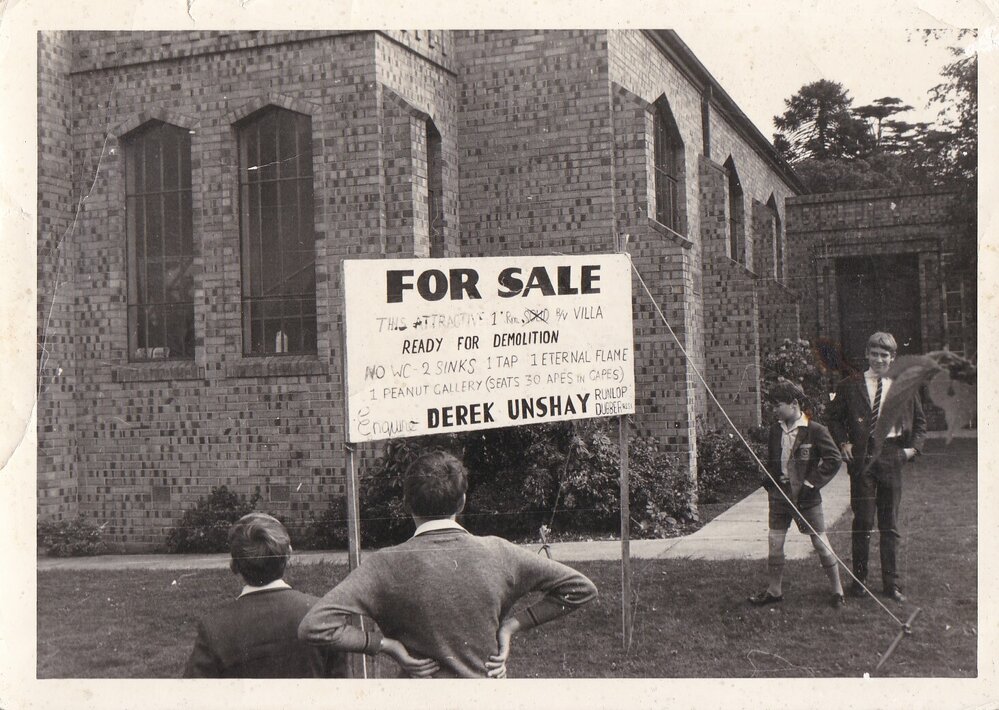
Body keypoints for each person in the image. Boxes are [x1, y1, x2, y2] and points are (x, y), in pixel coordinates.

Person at [298, 450, 598, 678]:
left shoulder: (383, 565)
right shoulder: (500, 552)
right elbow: (580, 588)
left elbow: (314, 626)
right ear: (463, 501)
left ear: (406, 504)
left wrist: (386, 646)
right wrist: (511, 627)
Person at [826, 331, 926, 603]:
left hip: (892, 454)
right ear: (867, 354)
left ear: (893, 358)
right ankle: (859, 582)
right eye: (874, 353)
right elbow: (832, 418)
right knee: (863, 522)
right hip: (862, 458)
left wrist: (912, 449)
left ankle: (891, 584)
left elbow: (920, 423)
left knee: (889, 524)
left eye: (885, 355)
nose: (879, 359)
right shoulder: (851, 385)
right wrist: (844, 442)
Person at [183, 513, 346, 678]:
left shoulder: (215, 628)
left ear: (234, 565)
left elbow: (193, 697)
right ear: (288, 555)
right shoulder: (322, 617)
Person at [748, 381, 845, 609]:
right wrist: (769, 480)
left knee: (821, 543)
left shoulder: (815, 430)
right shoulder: (775, 430)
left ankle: (837, 591)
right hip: (780, 496)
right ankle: (774, 590)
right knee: (775, 543)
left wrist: (811, 483)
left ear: (794, 404)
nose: (773, 410)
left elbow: (834, 459)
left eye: (777, 405)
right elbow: (774, 461)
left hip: (806, 498)